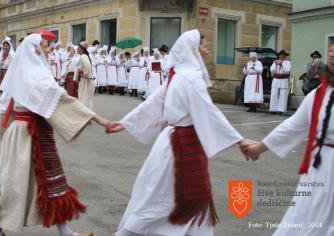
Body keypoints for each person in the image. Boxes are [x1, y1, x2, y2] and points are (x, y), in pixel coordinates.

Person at [106, 30, 253, 236]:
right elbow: (208, 112)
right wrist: (239, 140)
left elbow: (155, 101)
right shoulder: (190, 78)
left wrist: (125, 123)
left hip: (170, 145)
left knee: (161, 195)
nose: (207, 51)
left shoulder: (177, 75)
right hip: (181, 148)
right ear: (193, 51)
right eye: (203, 46)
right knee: (166, 198)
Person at [0, 32, 110, 236]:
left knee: (52, 181)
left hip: (36, 132)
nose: (48, 49)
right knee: (13, 183)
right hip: (24, 135)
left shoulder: (31, 73)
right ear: (34, 50)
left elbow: (7, 106)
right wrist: (99, 119)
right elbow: (8, 106)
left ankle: (65, 231)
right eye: (44, 46)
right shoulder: (34, 76)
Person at [244, 43, 334, 236]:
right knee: (305, 219)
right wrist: (259, 148)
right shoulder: (318, 95)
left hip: (323, 167)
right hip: (319, 169)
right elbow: (292, 126)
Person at [269, 50, 292, 114]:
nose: (282, 56)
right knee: (274, 94)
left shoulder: (288, 62)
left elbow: (287, 70)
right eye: (281, 55)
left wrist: (281, 64)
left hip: (284, 79)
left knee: (283, 94)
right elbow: (272, 70)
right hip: (276, 79)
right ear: (279, 56)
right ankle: (273, 109)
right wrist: (276, 65)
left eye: (283, 55)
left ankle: (281, 110)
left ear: (285, 56)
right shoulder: (275, 62)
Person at [76, 42, 94, 109]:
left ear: (81, 49)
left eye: (78, 47)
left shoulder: (83, 56)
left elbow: (88, 67)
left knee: (84, 100)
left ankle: (85, 117)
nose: (77, 49)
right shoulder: (85, 56)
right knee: (87, 101)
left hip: (86, 82)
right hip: (87, 81)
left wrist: (84, 75)